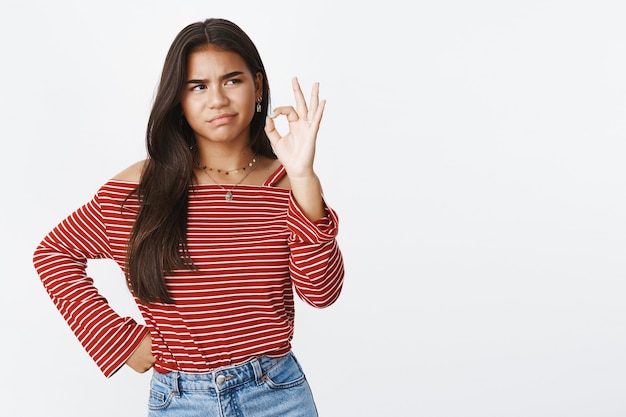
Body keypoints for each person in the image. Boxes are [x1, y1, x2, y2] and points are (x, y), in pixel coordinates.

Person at [32, 18, 344, 417]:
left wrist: (303, 177)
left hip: (277, 395)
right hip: (181, 399)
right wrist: (117, 340)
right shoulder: (140, 190)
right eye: (197, 86)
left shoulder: (288, 185)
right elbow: (53, 253)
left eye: (232, 80)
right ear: (178, 100)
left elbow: (322, 294)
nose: (217, 99)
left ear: (259, 86)